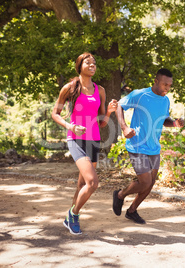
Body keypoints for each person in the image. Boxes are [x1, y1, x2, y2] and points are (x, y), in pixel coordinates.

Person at [52, 52, 118, 235]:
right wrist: (70, 126)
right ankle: (73, 214)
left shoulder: (100, 90)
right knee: (92, 182)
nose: (92, 66)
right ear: (79, 66)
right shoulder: (70, 88)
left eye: (94, 63)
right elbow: (54, 113)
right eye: (88, 63)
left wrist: (110, 111)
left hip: (94, 140)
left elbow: (102, 122)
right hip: (76, 139)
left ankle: (70, 218)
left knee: (82, 185)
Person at [113, 68, 184, 224]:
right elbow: (119, 106)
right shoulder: (140, 94)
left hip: (154, 147)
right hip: (137, 145)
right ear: (156, 81)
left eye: (170, 85)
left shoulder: (165, 100)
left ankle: (131, 211)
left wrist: (174, 123)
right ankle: (120, 195)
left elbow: (165, 119)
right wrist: (124, 127)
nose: (167, 88)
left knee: (150, 184)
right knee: (144, 182)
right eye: (165, 84)